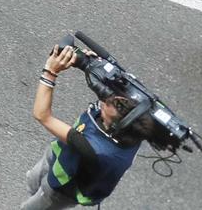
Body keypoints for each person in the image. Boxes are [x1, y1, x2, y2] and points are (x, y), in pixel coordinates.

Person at [23, 46, 140, 209]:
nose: (105, 97)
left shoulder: (93, 147)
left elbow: (42, 115)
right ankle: (34, 190)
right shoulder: (136, 119)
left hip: (62, 188)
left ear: (113, 124)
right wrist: (94, 64)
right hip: (62, 152)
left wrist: (50, 71)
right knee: (33, 181)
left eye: (106, 103)